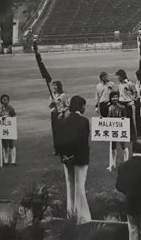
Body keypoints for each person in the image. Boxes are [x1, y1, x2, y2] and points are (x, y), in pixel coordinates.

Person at [55, 96, 91, 224]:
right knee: (79, 186)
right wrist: (75, 156)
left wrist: (64, 156)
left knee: (70, 186)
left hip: (66, 159)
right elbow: (82, 142)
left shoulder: (62, 121)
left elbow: (59, 141)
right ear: (80, 107)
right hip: (80, 159)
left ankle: (71, 214)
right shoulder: (84, 121)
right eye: (84, 106)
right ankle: (83, 217)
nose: (84, 108)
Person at [107, 92, 129, 171]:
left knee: (123, 145)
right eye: (113, 97)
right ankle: (113, 163)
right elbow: (108, 118)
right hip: (113, 129)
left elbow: (125, 117)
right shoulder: (110, 108)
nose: (115, 99)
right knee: (113, 146)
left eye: (116, 97)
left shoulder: (122, 107)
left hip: (121, 128)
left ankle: (126, 162)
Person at [116, 69, 138, 143]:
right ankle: (124, 135)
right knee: (122, 120)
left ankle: (133, 136)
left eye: (118, 76)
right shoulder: (119, 84)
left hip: (127, 103)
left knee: (130, 120)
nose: (118, 78)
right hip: (121, 103)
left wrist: (132, 101)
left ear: (122, 76)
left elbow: (135, 93)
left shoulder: (129, 84)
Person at [50, 81, 70, 155]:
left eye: (56, 85)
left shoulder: (63, 95)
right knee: (54, 132)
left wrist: (62, 113)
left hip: (60, 114)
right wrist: (52, 103)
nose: (54, 87)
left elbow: (67, 106)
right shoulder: (52, 95)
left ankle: (62, 148)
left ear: (59, 86)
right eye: (53, 86)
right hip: (53, 114)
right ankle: (56, 149)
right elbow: (50, 106)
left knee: (61, 132)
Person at [0, 94, 17, 166]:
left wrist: (8, 118)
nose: (5, 101)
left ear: (8, 100)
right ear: (1, 101)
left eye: (6, 99)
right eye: (3, 99)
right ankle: (5, 160)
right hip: (3, 129)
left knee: (11, 144)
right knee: (4, 145)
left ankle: (13, 160)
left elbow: (14, 117)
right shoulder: (0, 109)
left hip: (10, 129)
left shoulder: (10, 108)